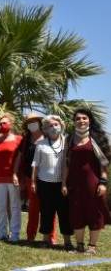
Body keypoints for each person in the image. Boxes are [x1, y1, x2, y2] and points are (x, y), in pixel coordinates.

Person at [62, 108, 111, 254]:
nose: (81, 121)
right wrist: (64, 183)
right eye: (78, 118)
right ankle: (80, 246)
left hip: (93, 182)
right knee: (76, 213)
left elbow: (104, 163)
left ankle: (92, 246)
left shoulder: (96, 138)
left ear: (89, 120)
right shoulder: (69, 139)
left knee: (94, 213)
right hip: (74, 183)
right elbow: (66, 164)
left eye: (84, 118)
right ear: (74, 121)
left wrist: (103, 182)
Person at [30, 115, 73, 249]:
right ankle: (45, 240)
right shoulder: (40, 144)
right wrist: (33, 182)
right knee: (46, 212)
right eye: (50, 125)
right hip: (44, 183)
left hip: (62, 184)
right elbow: (35, 164)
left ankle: (67, 241)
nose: (54, 127)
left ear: (61, 125)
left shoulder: (67, 142)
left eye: (56, 124)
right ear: (45, 129)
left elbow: (69, 163)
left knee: (64, 213)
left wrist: (65, 183)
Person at [18, 112, 56, 243]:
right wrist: (21, 177)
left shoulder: (49, 137)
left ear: (40, 123)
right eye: (29, 122)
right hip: (30, 178)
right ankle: (30, 236)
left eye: (34, 121)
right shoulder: (25, 140)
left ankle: (51, 237)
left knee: (49, 207)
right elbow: (21, 159)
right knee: (33, 208)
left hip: (48, 178)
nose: (32, 124)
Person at [0, 113, 23, 242]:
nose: (2, 125)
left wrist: (19, 176)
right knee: (0, 207)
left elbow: (22, 159)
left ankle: (15, 234)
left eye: (5, 123)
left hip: (13, 178)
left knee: (14, 207)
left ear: (11, 124)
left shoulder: (19, 139)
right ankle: (1, 232)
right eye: (0, 124)